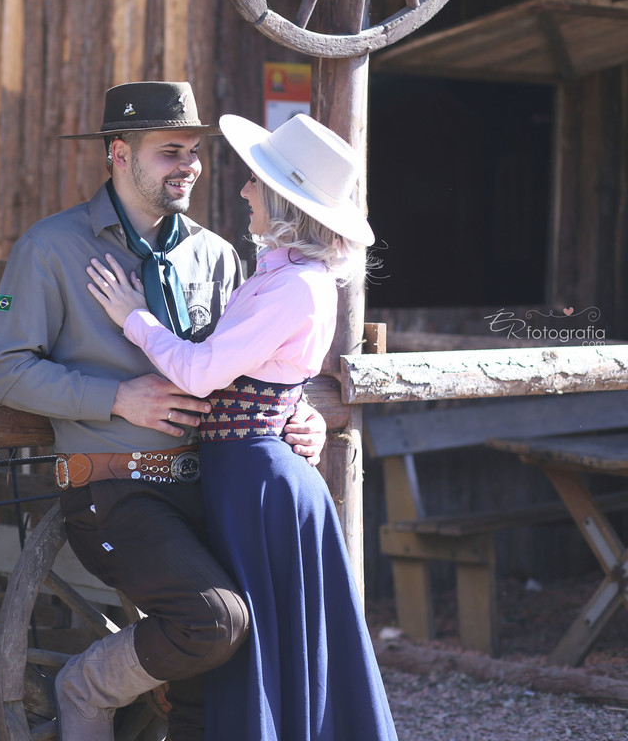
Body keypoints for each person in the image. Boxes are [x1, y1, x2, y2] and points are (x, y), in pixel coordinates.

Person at [0, 81, 327, 741]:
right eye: (171, 151)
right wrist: (116, 396)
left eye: (194, 152)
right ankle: (84, 686)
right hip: (112, 489)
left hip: (211, 487)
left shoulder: (217, 256)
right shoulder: (50, 248)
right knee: (214, 622)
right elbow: (0, 370)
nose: (190, 166)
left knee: (230, 675)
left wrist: (298, 413)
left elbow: (254, 363)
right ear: (118, 152)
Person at [86, 111, 398, 740]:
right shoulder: (275, 275)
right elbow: (271, 374)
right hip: (244, 479)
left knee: (266, 650)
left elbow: (202, 373)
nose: (244, 191)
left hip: (260, 487)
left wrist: (133, 317)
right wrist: (296, 409)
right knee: (262, 648)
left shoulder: (298, 287)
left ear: (282, 198)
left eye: (257, 182)